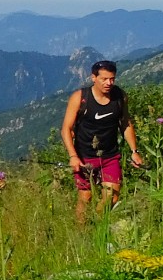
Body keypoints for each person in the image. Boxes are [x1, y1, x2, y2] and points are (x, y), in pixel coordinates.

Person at [61, 60, 143, 223]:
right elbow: (66, 129)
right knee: (85, 197)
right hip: (85, 157)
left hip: (110, 156)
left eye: (112, 79)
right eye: (104, 79)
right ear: (93, 78)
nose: (109, 83)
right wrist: (73, 156)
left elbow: (125, 123)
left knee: (112, 196)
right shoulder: (80, 98)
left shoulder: (120, 97)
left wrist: (134, 151)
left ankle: (97, 224)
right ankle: (81, 233)